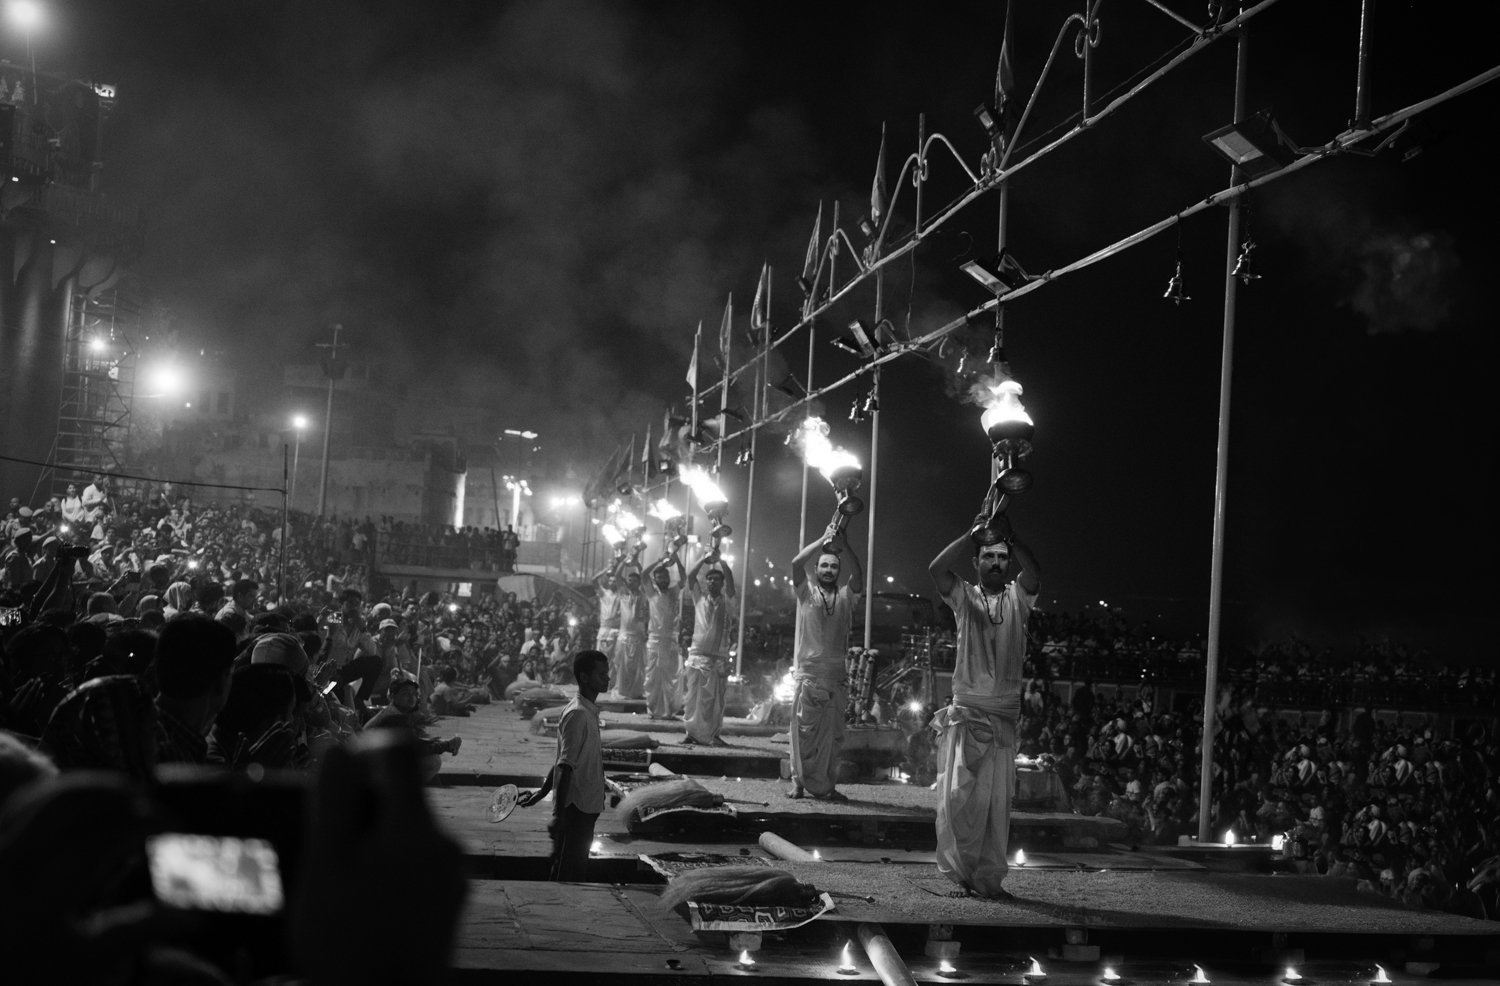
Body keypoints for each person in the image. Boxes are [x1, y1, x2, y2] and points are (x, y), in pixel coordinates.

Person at [927, 509, 1041, 898]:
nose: (996, 563)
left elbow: (1035, 572)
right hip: (968, 715)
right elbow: (936, 569)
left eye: (1002, 557)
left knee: (996, 807)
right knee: (958, 799)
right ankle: (960, 874)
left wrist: (1012, 539)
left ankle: (988, 879)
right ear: (975, 563)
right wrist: (971, 532)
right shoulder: (964, 596)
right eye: (988, 557)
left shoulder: (1018, 598)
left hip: (1002, 719)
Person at [787, 528, 864, 800]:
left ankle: (827, 786)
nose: (829, 569)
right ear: (816, 569)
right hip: (809, 675)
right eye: (824, 565)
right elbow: (797, 563)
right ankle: (798, 782)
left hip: (836, 677)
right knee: (803, 734)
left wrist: (846, 546)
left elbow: (859, 576)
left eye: (833, 566)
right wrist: (823, 540)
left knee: (832, 739)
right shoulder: (806, 594)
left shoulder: (845, 596)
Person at [519, 649, 609, 881]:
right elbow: (565, 767)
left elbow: (563, 760)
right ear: (585, 677)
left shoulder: (588, 711)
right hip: (575, 807)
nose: (607, 678)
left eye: (607, 673)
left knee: (573, 865)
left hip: (586, 805)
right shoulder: (578, 714)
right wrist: (559, 815)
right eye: (601, 674)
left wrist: (541, 792)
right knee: (567, 870)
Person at [681, 550, 736, 747]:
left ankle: (714, 734)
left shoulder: (728, 602)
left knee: (716, 701)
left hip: (717, 659)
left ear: (721, 584)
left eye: (716, 580)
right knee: (692, 698)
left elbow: (730, 581)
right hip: (697, 656)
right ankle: (691, 733)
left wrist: (721, 560)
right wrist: (705, 559)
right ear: (705, 583)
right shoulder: (699, 599)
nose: (712, 582)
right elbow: (690, 576)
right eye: (709, 579)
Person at [640, 546, 686, 720]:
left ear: (668, 578)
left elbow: (683, 578)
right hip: (655, 641)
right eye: (659, 577)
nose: (662, 579)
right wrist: (659, 560)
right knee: (653, 677)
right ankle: (654, 709)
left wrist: (677, 559)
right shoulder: (652, 593)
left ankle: (669, 710)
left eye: (665, 576)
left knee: (671, 676)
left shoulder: (674, 593)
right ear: (656, 580)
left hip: (671, 641)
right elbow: (644, 574)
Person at [612, 566, 647, 699]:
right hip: (624, 636)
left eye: (634, 580)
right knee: (621, 666)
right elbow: (617, 575)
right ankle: (622, 692)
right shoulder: (623, 594)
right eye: (629, 580)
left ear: (639, 583)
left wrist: (638, 563)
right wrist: (625, 561)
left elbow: (645, 576)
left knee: (637, 668)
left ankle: (635, 692)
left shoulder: (643, 595)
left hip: (637, 636)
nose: (631, 582)